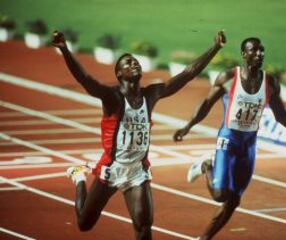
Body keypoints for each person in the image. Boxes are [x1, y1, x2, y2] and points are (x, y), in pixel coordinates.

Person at [51, 30, 226, 240]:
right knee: (84, 223)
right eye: (128, 63)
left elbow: (187, 74)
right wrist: (65, 50)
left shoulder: (151, 94)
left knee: (144, 227)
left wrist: (215, 48)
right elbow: (85, 79)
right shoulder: (112, 97)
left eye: (136, 62)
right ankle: (79, 176)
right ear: (119, 74)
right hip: (112, 168)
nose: (134, 64)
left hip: (137, 170)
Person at [173, 37, 286, 240]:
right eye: (254, 51)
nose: (260, 54)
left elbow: (282, 116)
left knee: (233, 201)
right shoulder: (228, 77)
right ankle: (206, 165)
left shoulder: (270, 83)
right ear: (244, 54)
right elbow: (206, 103)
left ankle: (204, 238)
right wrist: (187, 126)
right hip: (228, 138)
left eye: (262, 51)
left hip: (249, 144)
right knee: (220, 195)